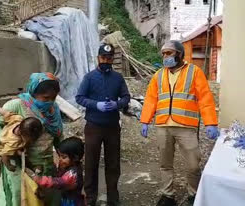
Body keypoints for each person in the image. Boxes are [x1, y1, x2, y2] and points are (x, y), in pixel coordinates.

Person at [140, 40, 219, 206]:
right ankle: (167, 196)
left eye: (169, 53)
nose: (165, 56)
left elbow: (205, 98)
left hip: (186, 127)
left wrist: (211, 122)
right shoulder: (158, 75)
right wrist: (145, 120)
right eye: (163, 54)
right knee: (165, 164)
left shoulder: (194, 72)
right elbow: (150, 100)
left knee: (193, 165)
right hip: (163, 126)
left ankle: (194, 195)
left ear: (180, 54)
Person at [0, 72, 63, 206]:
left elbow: (58, 134)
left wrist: (62, 153)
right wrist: (9, 143)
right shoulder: (17, 105)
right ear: (33, 93)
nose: (50, 101)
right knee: (21, 198)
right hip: (19, 165)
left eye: (53, 98)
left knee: (46, 198)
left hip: (46, 164)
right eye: (46, 98)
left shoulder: (53, 109)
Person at [76, 43, 130, 206]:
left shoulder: (118, 78)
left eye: (109, 58)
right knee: (91, 162)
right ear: (98, 58)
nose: (106, 60)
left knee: (113, 162)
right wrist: (95, 104)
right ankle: (90, 198)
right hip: (93, 126)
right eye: (103, 57)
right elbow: (79, 97)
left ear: (113, 59)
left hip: (112, 126)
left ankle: (113, 197)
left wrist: (117, 104)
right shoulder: (89, 77)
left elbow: (126, 97)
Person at [33, 137, 85, 206]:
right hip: (67, 198)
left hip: (72, 202)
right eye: (59, 156)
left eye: (64, 157)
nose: (60, 159)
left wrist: (41, 180)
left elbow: (58, 182)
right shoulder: (70, 165)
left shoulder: (72, 174)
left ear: (75, 158)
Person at [0, 103, 43, 172]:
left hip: (13, 145)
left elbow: (5, 113)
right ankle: (32, 167)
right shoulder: (13, 143)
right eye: (31, 139)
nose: (33, 141)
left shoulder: (18, 119)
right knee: (23, 158)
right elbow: (4, 155)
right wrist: (9, 166)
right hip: (3, 149)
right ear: (22, 134)